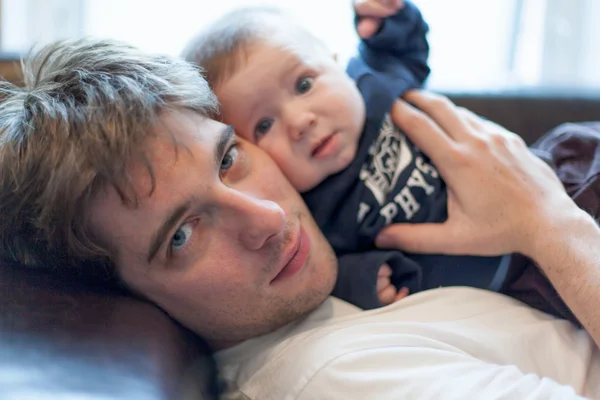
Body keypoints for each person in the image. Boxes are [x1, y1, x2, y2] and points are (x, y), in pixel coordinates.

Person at [2, 38, 600, 399]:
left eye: (229, 158)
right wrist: (549, 222)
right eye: (181, 236)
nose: (264, 217)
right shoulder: (335, 378)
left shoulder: (335, 276)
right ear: (128, 295)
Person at [181, 0, 508, 311]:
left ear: (336, 61)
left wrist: (386, 19)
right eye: (264, 125)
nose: (300, 122)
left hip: (526, 184)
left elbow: (406, 51)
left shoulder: (373, 83)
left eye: (304, 84)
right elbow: (327, 272)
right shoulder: (309, 213)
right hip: (492, 287)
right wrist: (368, 278)